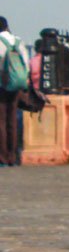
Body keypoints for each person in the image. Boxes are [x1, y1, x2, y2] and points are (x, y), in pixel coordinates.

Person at [0, 17, 29, 166]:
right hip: (17, 84)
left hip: (2, 86)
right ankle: (13, 157)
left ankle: (3, 158)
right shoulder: (17, 41)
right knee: (12, 120)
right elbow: (26, 63)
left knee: (1, 122)